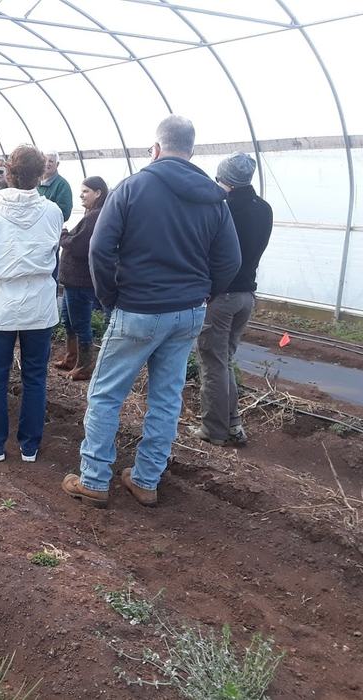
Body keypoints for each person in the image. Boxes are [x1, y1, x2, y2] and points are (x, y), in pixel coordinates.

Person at [61, 115, 241, 509]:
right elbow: (231, 259)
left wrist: (110, 298)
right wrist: (205, 293)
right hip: (188, 312)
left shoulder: (131, 188)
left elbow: (99, 250)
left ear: (156, 148)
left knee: (106, 394)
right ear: (192, 150)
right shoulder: (213, 197)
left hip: (138, 309)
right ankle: (145, 479)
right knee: (166, 398)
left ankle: (93, 479)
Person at [0, 145, 62, 463]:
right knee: (35, 376)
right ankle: (30, 445)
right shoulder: (52, 212)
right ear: (41, 174)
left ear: (8, 173)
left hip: (0, 302)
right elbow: (54, 253)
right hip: (38, 303)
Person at [194, 152, 273, 447]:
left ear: (225, 180)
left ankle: (213, 430)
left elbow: (212, 252)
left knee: (212, 362)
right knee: (224, 360)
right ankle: (234, 425)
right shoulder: (264, 209)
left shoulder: (222, 209)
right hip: (246, 296)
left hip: (222, 296)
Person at [53, 176, 109, 381]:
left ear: (98, 193)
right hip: (72, 281)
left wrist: (64, 235)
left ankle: (85, 366)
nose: (81, 195)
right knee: (69, 321)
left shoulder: (94, 217)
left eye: (86, 191)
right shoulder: (91, 214)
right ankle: (72, 358)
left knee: (80, 323)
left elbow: (78, 246)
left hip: (80, 280)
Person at [38, 151, 73, 222]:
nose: (47, 163)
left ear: (57, 164)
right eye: (44, 160)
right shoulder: (34, 181)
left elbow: (64, 213)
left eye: (51, 161)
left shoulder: (62, 185)